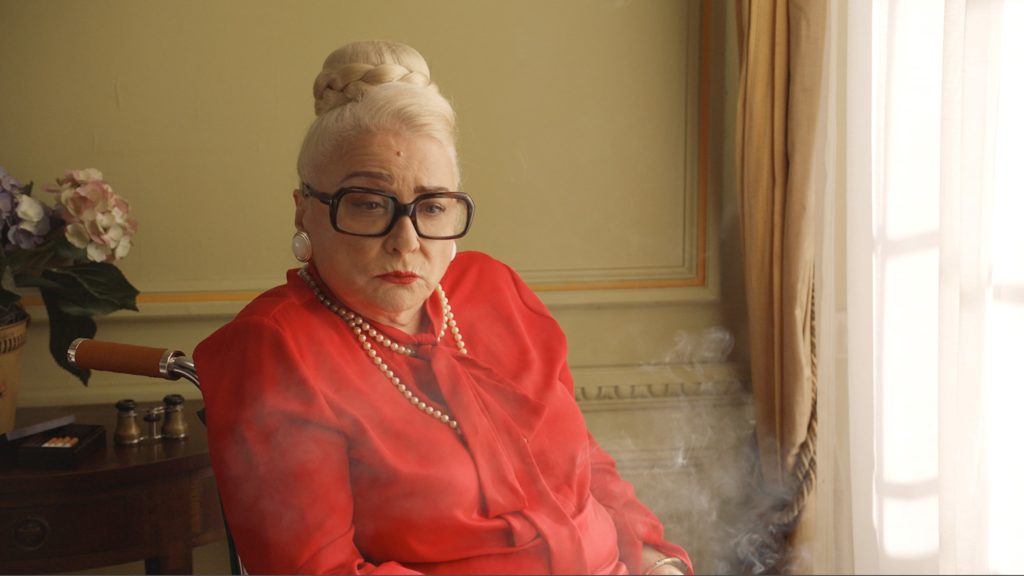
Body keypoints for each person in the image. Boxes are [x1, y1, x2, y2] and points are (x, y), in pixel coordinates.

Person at [195, 40, 692, 575]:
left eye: (432, 207)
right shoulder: (275, 349)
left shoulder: (493, 289)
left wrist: (655, 560)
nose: (406, 241)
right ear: (304, 211)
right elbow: (318, 570)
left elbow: (585, 466)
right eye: (369, 204)